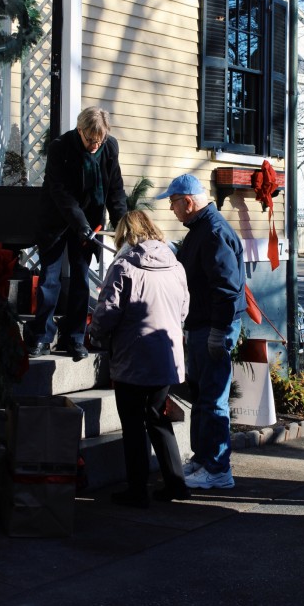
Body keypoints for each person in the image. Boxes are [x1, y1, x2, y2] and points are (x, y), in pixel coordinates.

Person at [89, 211, 190, 507]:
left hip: (133, 356)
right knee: (158, 418)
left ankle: (137, 489)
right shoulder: (176, 266)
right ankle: (176, 483)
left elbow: (107, 311)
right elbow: (183, 309)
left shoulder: (124, 266)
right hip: (166, 355)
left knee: (133, 423)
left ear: (126, 234)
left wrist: (96, 336)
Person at [157, 173, 246, 490]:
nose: (171, 209)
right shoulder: (203, 229)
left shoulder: (212, 232)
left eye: (173, 202)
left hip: (212, 325)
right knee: (203, 396)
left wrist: (218, 332)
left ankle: (218, 469)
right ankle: (204, 458)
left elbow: (226, 288)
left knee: (212, 399)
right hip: (203, 324)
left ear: (188, 202)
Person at [26, 107, 127, 361]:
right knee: (50, 279)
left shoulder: (109, 148)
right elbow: (60, 193)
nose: (95, 145)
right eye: (90, 139)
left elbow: (115, 190)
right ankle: (42, 337)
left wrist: (124, 226)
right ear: (79, 130)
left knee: (81, 280)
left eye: (99, 140)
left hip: (89, 224)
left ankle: (75, 337)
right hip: (56, 221)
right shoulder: (60, 147)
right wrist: (79, 222)